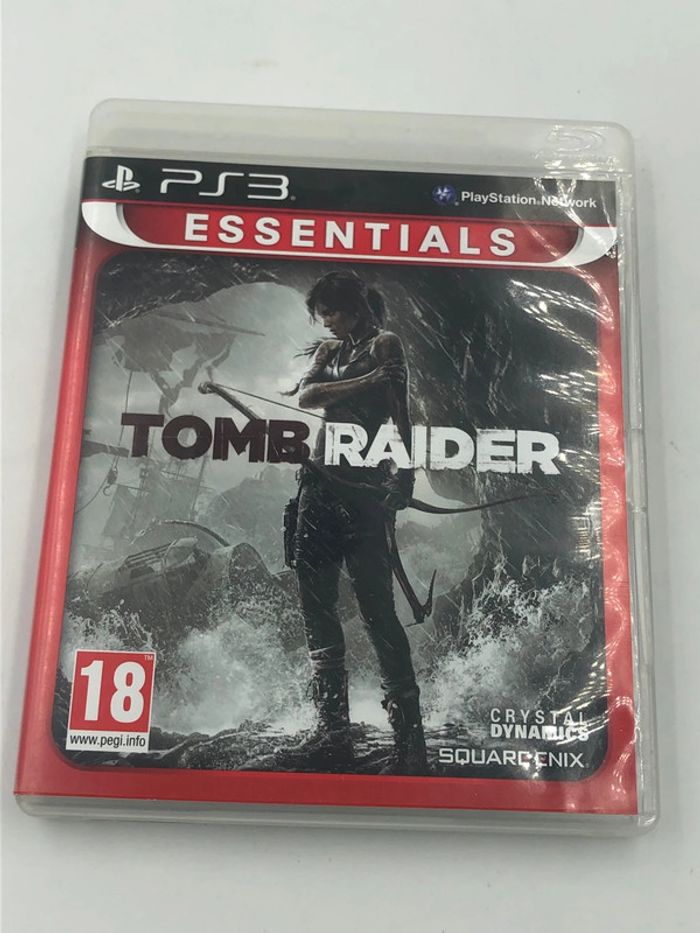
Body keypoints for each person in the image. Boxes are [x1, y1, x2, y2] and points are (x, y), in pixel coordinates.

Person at [287, 270, 428, 775]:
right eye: (322, 313)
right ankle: (332, 730)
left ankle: (410, 741)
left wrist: (405, 477)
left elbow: (400, 415)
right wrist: (367, 381)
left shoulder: (385, 344)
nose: (326, 321)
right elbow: (307, 397)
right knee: (316, 603)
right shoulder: (330, 352)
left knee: (376, 609)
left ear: (355, 308)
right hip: (318, 484)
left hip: (365, 488)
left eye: (332, 311)